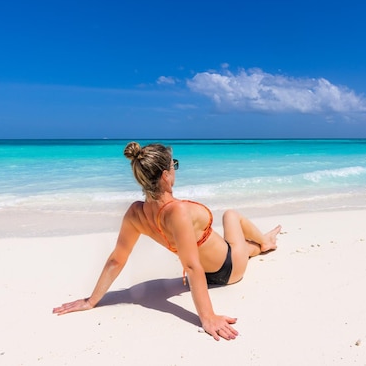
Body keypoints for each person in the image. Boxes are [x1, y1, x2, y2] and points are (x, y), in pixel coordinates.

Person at [53, 142, 281, 341]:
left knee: (244, 247)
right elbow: (192, 266)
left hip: (201, 275)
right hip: (228, 269)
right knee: (231, 215)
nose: (175, 170)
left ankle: (260, 244)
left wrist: (92, 300)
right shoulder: (177, 211)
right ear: (165, 175)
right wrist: (208, 317)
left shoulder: (135, 214)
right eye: (174, 166)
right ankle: (265, 243)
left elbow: (117, 259)